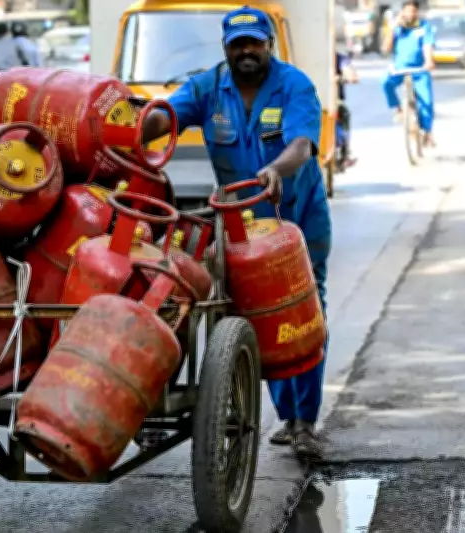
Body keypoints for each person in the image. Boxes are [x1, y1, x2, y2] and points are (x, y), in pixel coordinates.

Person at [139, 6, 332, 460]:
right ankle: (279, 413)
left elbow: (302, 144)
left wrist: (275, 169)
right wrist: (124, 131)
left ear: (269, 44)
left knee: (302, 311)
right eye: (238, 43)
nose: (247, 51)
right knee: (248, 312)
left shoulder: (294, 85)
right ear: (226, 47)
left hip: (297, 221)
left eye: (255, 43)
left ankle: (303, 421)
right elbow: (165, 118)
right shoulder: (208, 87)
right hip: (240, 229)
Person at [381, 0, 436, 148]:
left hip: (419, 69)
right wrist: (392, 29)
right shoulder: (398, 27)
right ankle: (398, 109)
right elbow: (386, 48)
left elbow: (427, 45)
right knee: (386, 83)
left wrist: (429, 61)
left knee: (426, 100)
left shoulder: (424, 27)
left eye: (413, 11)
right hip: (399, 68)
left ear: (417, 12)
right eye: (408, 11)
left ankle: (427, 132)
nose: (410, 14)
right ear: (403, 12)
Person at [335, 50, 358, 169]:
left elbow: (348, 71)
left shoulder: (338, 58)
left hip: (334, 102)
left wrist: (349, 75)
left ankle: (344, 154)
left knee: (344, 113)